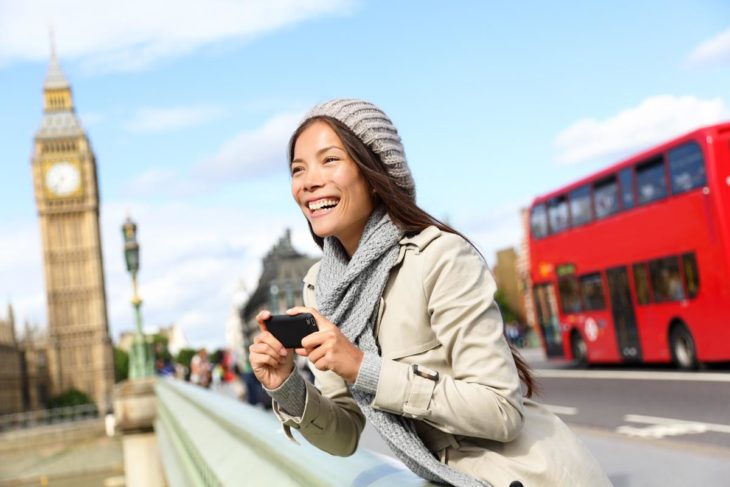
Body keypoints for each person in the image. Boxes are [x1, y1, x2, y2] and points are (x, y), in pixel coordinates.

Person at [249, 99, 612, 486]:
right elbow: (344, 437)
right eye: (297, 169)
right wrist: (285, 385)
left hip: (527, 474)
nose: (309, 181)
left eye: (329, 160)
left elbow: (501, 410)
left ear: (374, 172)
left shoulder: (440, 257)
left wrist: (362, 368)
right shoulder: (322, 288)